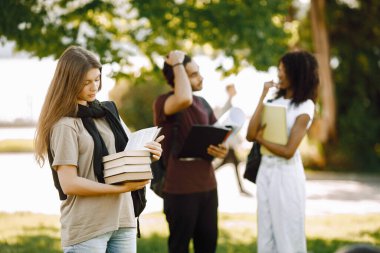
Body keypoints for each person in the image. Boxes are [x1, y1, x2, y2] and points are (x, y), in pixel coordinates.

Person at [34, 45, 163, 253]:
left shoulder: (107, 112)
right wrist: (119, 189)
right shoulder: (65, 124)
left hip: (123, 219)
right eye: (86, 82)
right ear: (69, 82)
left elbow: (126, 156)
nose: (94, 87)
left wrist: (150, 154)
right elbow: (69, 183)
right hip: (88, 226)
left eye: (97, 79)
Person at [153, 50, 228, 253]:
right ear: (179, 77)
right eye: (193, 74)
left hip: (208, 187)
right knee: (179, 248)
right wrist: (177, 63)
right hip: (180, 190)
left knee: (207, 247)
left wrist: (222, 149)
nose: (201, 77)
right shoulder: (165, 102)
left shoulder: (203, 103)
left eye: (198, 72)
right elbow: (184, 98)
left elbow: (220, 134)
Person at [246, 50, 319, 253]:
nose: (279, 74)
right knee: (266, 232)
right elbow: (250, 134)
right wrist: (262, 95)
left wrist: (262, 138)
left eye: (283, 70)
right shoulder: (272, 101)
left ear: (296, 73)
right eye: (278, 69)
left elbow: (288, 151)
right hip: (265, 172)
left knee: (287, 233)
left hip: (286, 174)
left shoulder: (305, 107)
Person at [213, 83, 251, 195]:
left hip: (229, 143)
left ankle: (241, 188)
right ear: (229, 90)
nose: (235, 90)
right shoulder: (227, 105)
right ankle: (241, 189)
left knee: (232, 164)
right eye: (233, 88)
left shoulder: (230, 104)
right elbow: (226, 123)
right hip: (227, 143)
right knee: (233, 164)